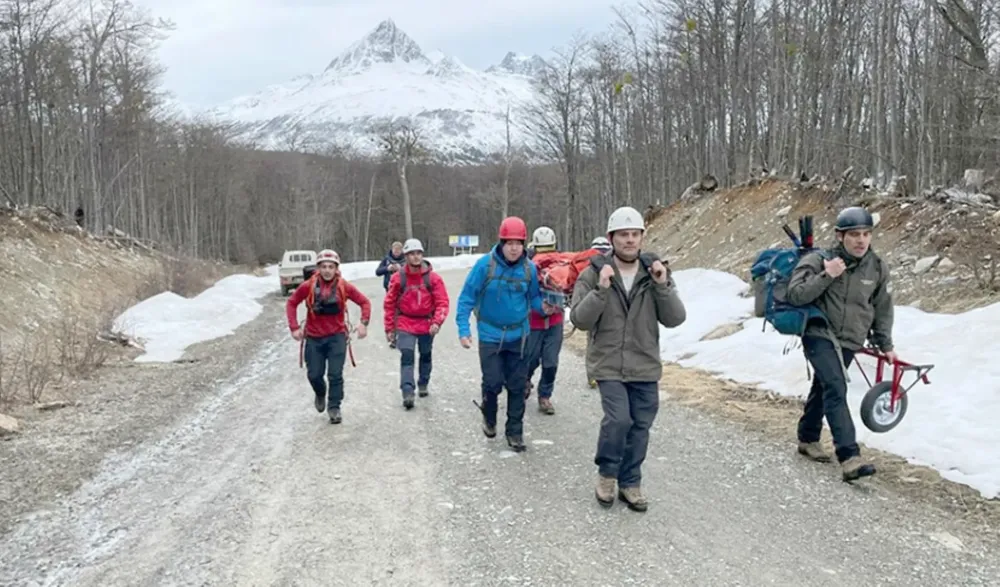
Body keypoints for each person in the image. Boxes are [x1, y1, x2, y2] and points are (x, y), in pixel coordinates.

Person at [570, 206, 687, 512]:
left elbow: (675, 318)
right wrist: (601, 289)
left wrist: (662, 285)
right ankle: (607, 475)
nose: (630, 240)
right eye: (624, 235)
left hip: (645, 363)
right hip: (608, 363)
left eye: (635, 234)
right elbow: (579, 319)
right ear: (612, 238)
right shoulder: (593, 273)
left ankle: (630, 482)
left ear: (642, 238)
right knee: (619, 419)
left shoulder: (655, 273)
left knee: (641, 425)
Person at [786, 206, 894, 482]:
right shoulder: (818, 259)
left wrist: (885, 344)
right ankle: (849, 457)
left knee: (824, 387)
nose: (861, 240)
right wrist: (827, 275)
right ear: (839, 235)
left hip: (850, 339)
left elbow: (882, 308)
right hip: (819, 333)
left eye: (866, 234)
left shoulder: (877, 267)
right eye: (854, 234)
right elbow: (796, 295)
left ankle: (808, 438)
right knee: (836, 386)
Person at [455, 216, 556, 452]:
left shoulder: (529, 269)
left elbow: (533, 299)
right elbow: (466, 299)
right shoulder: (484, 266)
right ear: (501, 242)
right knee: (492, 383)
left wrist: (545, 308)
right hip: (490, 336)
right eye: (509, 242)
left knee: (517, 385)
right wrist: (463, 329)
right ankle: (489, 418)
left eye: (518, 243)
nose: (513, 248)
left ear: (524, 245)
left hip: (519, 336)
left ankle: (515, 432)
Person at [286, 249, 371, 424]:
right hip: (314, 338)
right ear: (318, 268)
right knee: (314, 375)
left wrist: (363, 323)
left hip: (336, 337)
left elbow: (364, 302)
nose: (327, 270)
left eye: (330, 267)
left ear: (336, 268)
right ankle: (320, 392)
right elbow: (292, 302)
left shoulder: (343, 286)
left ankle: (334, 407)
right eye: (323, 266)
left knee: (335, 374)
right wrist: (294, 327)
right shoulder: (308, 285)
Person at [384, 238, 450, 410]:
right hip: (405, 322)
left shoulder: (433, 278)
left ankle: (423, 382)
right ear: (406, 256)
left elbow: (443, 301)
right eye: (412, 254)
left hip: (427, 323)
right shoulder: (398, 279)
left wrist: (437, 322)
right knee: (407, 354)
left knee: (425, 354)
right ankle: (407, 391)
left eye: (418, 253)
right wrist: (390, 328)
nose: (415, 257)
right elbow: (389, 303)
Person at [525, 225, 564, 415]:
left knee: (551, 363)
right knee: (531, 359)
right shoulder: (527, 267)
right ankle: (525, 380)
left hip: (555, 321)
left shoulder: (561, 265)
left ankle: (545, 396)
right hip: (534, 322)